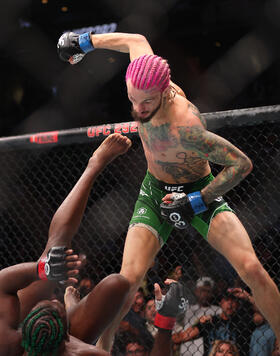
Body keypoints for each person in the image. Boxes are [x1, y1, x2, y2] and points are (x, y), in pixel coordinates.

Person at [57, 31, 280, 351]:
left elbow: (240, 164)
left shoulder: (186, 127)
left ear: (165, 92)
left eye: (146, 101)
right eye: (132, 99)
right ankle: (102, 350)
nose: (138, 109)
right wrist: (85, 41)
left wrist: (198, 200)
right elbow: (134, 40)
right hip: (155, 189)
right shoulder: (144, 73)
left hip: (199, 190)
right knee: (127, 280)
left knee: (252, 269)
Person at [0, 133, 132, 355]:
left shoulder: (6, 341)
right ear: (66, 339)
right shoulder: (79, 351)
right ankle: (68, 306)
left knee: (56, 250)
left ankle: (94, 165)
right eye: (58, 308)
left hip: (39, 340)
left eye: (50, 304)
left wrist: (42, 269)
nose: (53, 298)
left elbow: (2, 283)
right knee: (116, 285)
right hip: (57, 343)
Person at [172, 288, 255, 356]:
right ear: (221, 303)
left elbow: (266, 314)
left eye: (233, 301)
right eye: (226, 300)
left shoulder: (243, 322)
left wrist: (248, 297)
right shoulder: (210, 321)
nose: (230, 304)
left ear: (238, 304)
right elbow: (182, 337)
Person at [174, 276, 221, 356]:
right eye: (202, 290)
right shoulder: (188, 309)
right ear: (196, 291)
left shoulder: (218, 310)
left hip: (204, 352)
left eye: (208, 291)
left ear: (212, 293)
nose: (205, 294)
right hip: (185, 351)